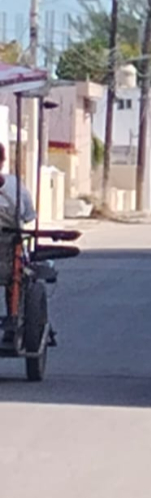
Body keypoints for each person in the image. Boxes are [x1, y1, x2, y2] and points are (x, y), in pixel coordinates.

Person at [0, 143, 43, 348]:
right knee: (15, 278)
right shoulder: (15, 185)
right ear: (3, 161)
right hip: (8, 256)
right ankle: (13, 317)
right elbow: (28, 216)